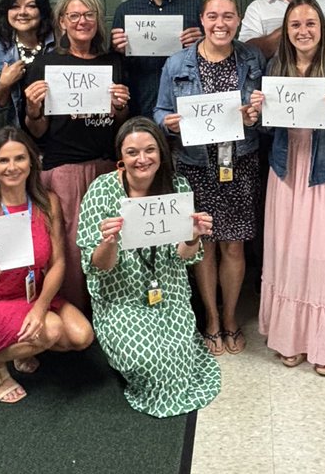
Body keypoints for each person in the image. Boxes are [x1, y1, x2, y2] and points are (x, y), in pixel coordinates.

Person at [249, 0, 325, 377]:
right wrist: (256, 113)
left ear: (322, 28)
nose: (303, 31)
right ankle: (291, 338)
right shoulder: (276, 66)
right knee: (288, 255)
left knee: (323, 258)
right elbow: (268, 129)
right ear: (286, 30)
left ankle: (324, 343)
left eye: (310, 24)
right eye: (295, 25)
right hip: (287, 171)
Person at [77, 117, 220, 417]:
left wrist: (193, 236)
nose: (142, 159)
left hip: (168, 291)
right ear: (121, 156)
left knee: (178, 356)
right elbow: (98, 266)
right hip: (121, 297)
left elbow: (184, 256)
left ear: (161, 153)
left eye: (150, 150)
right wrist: (110, 241)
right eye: (132, 152)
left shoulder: (177, 187)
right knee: (146, 360)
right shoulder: (101, 191)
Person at [154, 0, 265, 356]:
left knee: (234, 244)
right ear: (202, 21)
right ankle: (212, 320)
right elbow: (158, 111)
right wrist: (167, 123)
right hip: (195, 164)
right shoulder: (177, 63)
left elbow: (268, 116)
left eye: (229, 16)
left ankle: (231, 317)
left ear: (237, 21)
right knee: (203, 244)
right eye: (213, 16)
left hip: (239, 161)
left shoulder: (252, 60)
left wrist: (256, 116)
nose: (221, 23)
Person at [0, 127, 94, 403]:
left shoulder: (47, 202)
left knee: (81, 336)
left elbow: (58, 263)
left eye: (20, 158)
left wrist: (39, 308)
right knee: (50, 330)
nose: (12, 167)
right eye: (3, 160)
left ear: (32, 161)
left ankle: (23, 347)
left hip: (31, 295)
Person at [22, 0, 130, 314]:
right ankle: (73, 312)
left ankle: (109, 310)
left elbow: (119, 124)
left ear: (97, 20)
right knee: (68, 246)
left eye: (89, 15)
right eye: (74, 15)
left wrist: (121, 107)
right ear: (62, 22)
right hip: (63, 168)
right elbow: (36, 131)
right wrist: (33, 109)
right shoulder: (45, 64)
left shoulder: (113, 62)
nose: (82, 21)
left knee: (110, 239)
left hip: (106, 167)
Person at [110, 0, 203, 117]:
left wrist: (203, 44)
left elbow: (216, 57)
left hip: (187, 109)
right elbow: (115, 67)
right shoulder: (125, 10)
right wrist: (116, 49)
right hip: (140, 106)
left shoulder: (197, 7)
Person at [0, 0, 55, 128]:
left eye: (31, 6)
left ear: (42, 11)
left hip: (58, 131)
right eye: (15, 6)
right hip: (19, 132)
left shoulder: (60, 45)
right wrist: (3, 84)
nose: (22, 12)